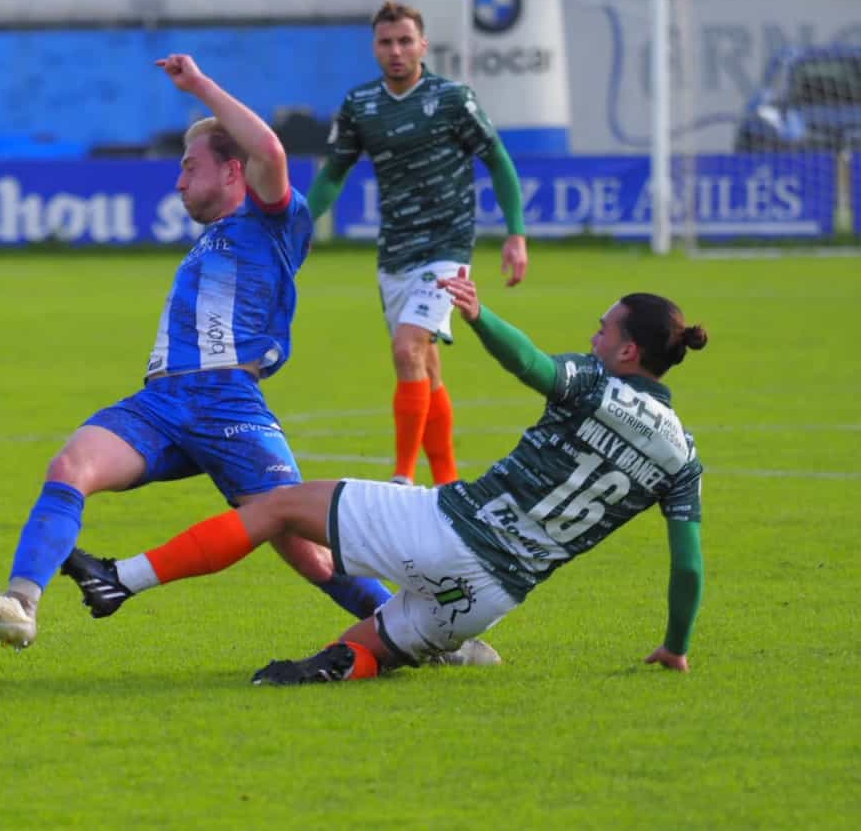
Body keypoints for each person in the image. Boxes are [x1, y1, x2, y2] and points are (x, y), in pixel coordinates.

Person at [0, 54, 391, 650]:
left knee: (307, 551)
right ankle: (20, 603)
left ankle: (423, 628)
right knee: (69, 467)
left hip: (228, 403)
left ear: (234, 171)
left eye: (189, 167)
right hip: (161, 402)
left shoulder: (273, 224)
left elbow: (273, 155)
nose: (178, 182)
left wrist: (200, 88)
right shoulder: (210, 244)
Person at [63, 273, 708, 684]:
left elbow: (534, 366)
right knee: (363, 650)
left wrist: (480, 317)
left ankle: (121, 579)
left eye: (604, 329)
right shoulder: (683, 458)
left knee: (279, 506)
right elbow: (688, 567)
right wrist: (675, 648)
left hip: (447, 528)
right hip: (491, 598)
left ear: (628, 352)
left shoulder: (595, 384)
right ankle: (340, 664)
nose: (593, 336)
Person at [307, 0, 530, 488]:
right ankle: (448, 482)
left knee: (408, 349)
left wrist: (515, 233)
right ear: (374, 47)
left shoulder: (454, 100)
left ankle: (403, 476)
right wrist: (298, 223)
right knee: (426, 366)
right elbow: (332, 176)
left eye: (405, 40)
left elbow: (499, 161)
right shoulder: (360, 105)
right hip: (395, 254)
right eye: (386, 42)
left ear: (423, 45)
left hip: (448, 249)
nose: (396, 50)